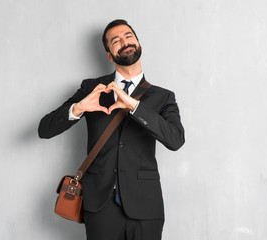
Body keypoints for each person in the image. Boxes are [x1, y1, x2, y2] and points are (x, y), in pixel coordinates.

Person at [38, 19, 185, 240]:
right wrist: (78, 108)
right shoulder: (91, 88)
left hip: (145, 207)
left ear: (139, 45)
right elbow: (45, 129)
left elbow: (176, 140)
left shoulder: (163, 97)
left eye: (128, 37)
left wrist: (135, 106)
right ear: (109, 55)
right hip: (100, 207)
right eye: (115, 41)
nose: (123, 42)